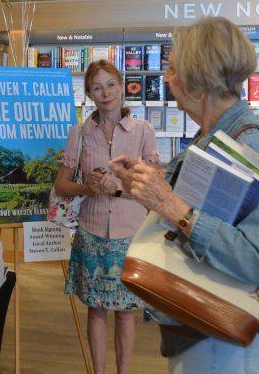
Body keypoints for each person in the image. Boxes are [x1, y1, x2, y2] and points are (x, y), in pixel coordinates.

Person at [113, 17, 259, 374]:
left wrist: (171, 205)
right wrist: (148, 186)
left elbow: (256, 260)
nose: (165, 79)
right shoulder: (213, 137)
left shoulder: (249, 143)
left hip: (216, 337)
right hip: (198, 330)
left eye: (174, 69)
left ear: (198, 82)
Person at [52, 60, 159, 374]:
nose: (106, 92)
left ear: (122, 86)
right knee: (95, 309)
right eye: (97, 87)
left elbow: (154, 191)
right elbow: (61, 184)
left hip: (130, 236)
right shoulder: (81, 133)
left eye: (111, 84)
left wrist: (116, 188)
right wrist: (88, 187)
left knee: (126, 312)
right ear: (88, 93)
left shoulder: (142, 131)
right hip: (91, 232)